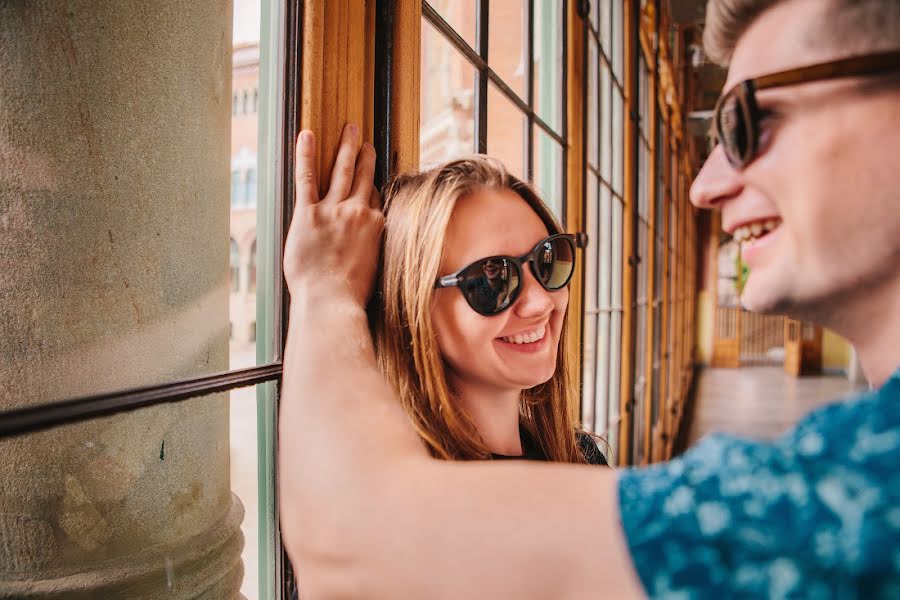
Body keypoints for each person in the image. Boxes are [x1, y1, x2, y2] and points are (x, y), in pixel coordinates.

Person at [278, 0, 900, 597]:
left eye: (746, 124)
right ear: (412, 304)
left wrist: (324, 290)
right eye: (490, 281)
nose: (704, 187)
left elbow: (354, 544)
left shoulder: (861, 482)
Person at [372, 157, 607, 464]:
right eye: (491, 277)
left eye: (547, 261)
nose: (541, 303)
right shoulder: (425, 497)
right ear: (413, 304)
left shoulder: (581, 455)